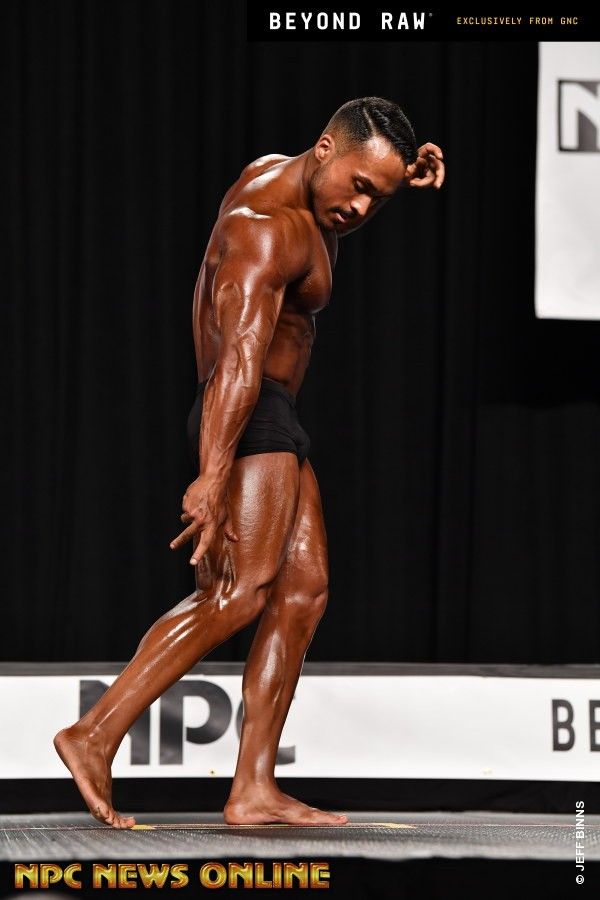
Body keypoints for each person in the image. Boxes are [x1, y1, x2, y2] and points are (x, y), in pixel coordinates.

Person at [54, 97, 445, 828]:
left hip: (273, 411)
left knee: (304, 591)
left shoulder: (289, 178)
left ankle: (253, 788)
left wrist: (399, 177)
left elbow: (338, 196)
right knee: (238, 591)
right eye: (361, 186)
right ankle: (94, 734)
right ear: (325, 148)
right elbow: (237, 356)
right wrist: (212, 471)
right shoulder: (266, 228)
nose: (362, 208)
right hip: (246, 409)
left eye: (380, 198)